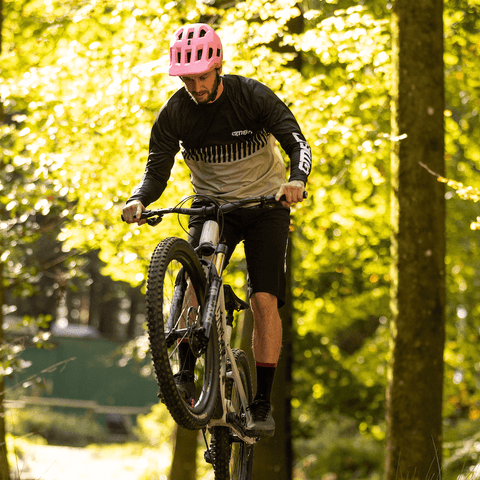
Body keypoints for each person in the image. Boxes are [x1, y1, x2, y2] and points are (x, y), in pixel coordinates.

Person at [122, 23, 312, 438]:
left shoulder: (252, 96)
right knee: (193, 275)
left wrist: (295, 180)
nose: (195, 86)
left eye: (202, 77)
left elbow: (298, 143)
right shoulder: (175, 112)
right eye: (187, 79)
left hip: (265, 207)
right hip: (211, 207)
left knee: (264, 300)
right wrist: (140, 199)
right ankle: (186, 373)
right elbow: (157, 171)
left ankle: (262, 402)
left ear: (219, 64)